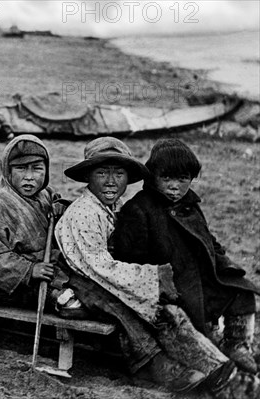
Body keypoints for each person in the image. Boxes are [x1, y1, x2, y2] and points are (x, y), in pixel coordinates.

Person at [56, 137, 259, 397]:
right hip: (95, 284)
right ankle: (221, 374)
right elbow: (100, 266)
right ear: (87, 176)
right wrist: (154, 278)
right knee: (169, 315)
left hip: (129, 278)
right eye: (101, 173)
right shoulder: (88, 212)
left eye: (119, 173)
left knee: (235, 289)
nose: (110, 181)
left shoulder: (111, 206)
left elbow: (207, 241)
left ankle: (234, 347)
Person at [114, 139, 260, 374]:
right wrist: (156, 283)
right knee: (186, 315)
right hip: (170, 285)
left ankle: (236, 345)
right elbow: (130, 258)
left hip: (200, 276)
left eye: (183, 179)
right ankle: (209, 348)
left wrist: (224, 262)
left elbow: (208, 239)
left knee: (240, 291)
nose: (175, 187)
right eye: (167, 178)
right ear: (152, 177)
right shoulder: (139, 209)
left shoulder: (189, 205)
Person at [0, 135, 68, 310]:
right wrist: (29, 270)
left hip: (50, 268)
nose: (29, 177)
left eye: (37, 168)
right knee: (69, 303)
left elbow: (58, 202)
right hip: (12, 284)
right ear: (7, 171)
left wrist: (60, 207)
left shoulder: (45, 194)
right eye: (20, 168)